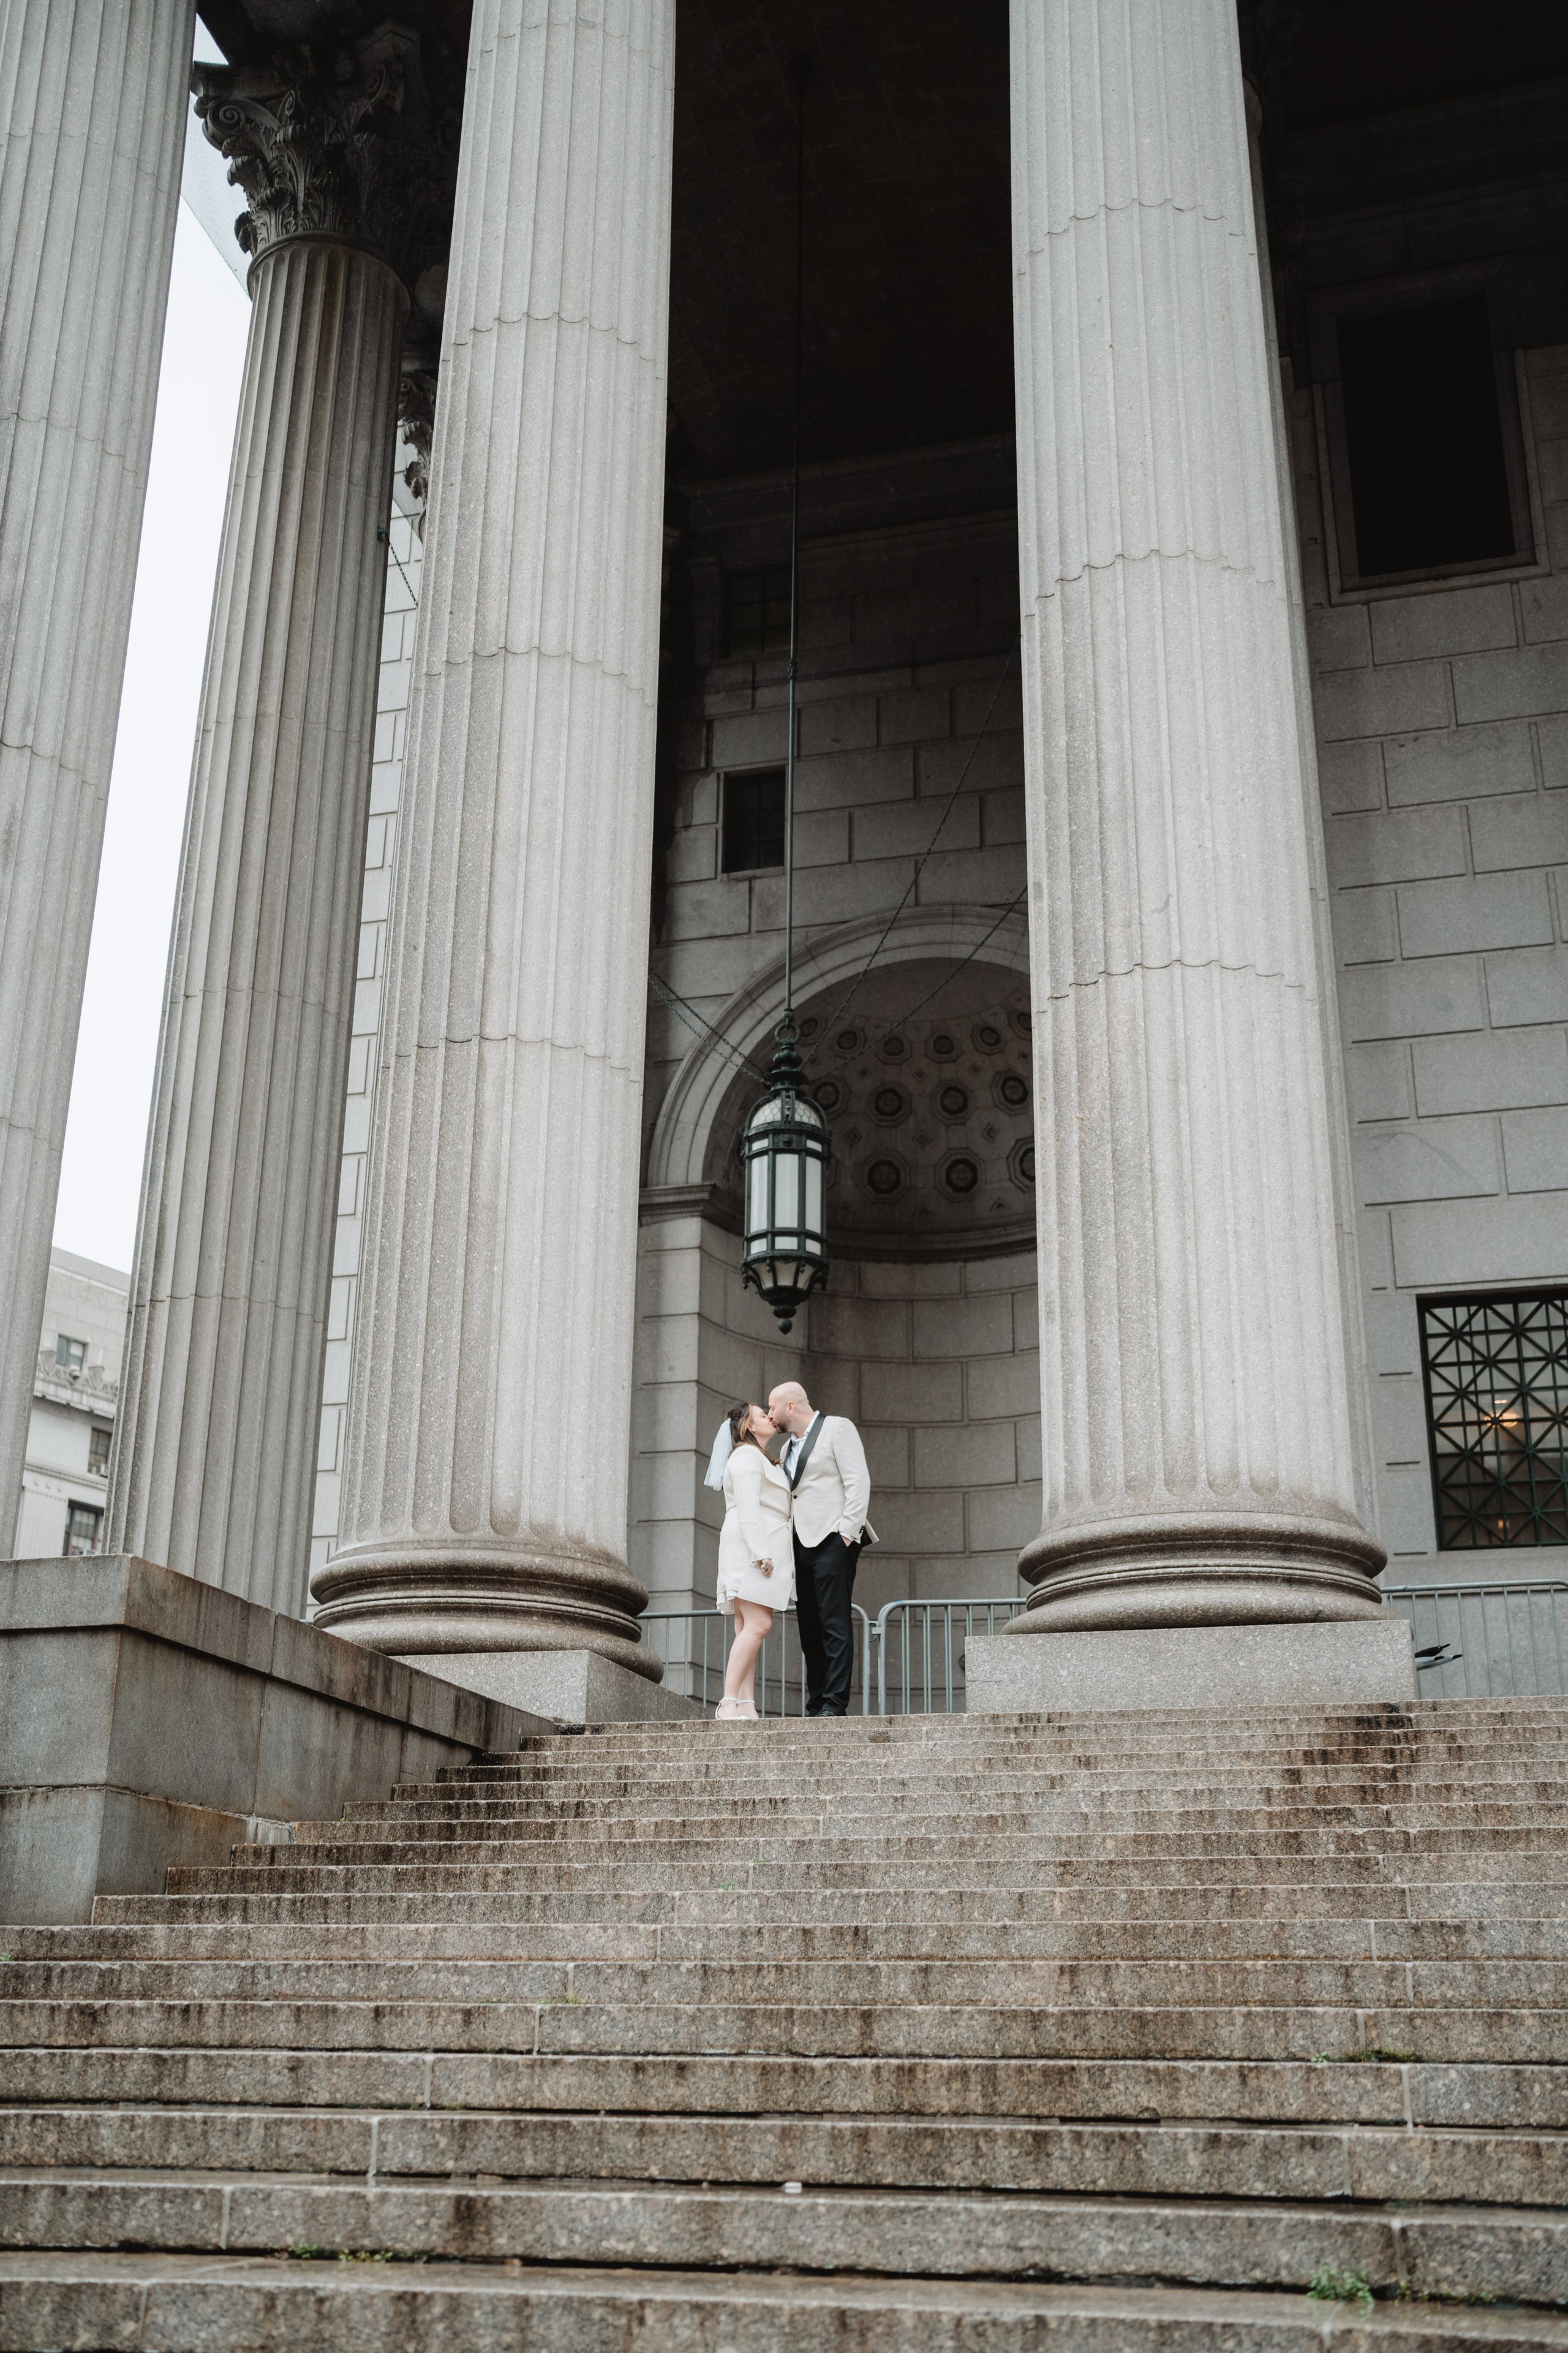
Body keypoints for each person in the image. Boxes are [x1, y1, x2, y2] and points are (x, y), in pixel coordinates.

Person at [767, 1381, 875, 1718]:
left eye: (772, 1408)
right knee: (809, 1630)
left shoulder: (837, 1428)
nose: (769, 1415)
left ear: (790, 1407)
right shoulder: (786, 1450)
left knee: (835, 1624)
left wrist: (846, 1533)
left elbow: (858, 1481)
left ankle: (835, 1704)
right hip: (799, 1545)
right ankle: (816, 1704)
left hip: (832, 1540)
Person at [705, 1400, 795, 1722]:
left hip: (762, 1544)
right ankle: (728, 1701)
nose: (770, 1416)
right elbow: (747, 1507)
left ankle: (746, 1704)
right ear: (748, 1426)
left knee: (747, 1625)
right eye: (762, 1414)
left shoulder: (762, 1458)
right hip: (752, 1546)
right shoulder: (744, 1455)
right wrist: (761, 1552)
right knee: (759, 1623)